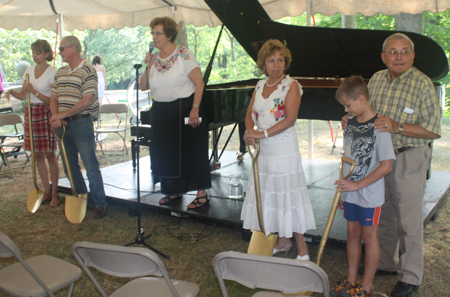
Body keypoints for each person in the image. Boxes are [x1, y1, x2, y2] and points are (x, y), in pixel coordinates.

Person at [342, 33, 441, 297]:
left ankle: (410, 276)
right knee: (382, 214)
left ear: (413, 56)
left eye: (404, 52)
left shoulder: (423, 85)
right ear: (384, 57)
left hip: (408, 157)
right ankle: (385, 263)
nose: (398, 57)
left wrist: (398, 127)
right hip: (377, 159)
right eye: (393, 52)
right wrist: (349, 117)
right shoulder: (375, 79)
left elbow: (433, 130)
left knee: (408, 221)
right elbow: (364, 111)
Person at [241, 39, 316, 260]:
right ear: (263, 63)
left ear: (286, 62)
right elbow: (250, 115)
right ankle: (282, 241)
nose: (276, 65)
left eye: (280, 60)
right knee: (270, 197)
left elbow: (290, 119)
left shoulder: (291, 85)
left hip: (283, 149)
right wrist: (249, 132)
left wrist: (261, 134)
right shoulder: (260, 85)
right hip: (264, 152)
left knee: (288, 196)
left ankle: (302, 248)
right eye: (271, 60)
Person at [331, 76, 395, 297]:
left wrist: (358, 185)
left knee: (369, 238)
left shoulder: (380, 127)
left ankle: (366, 285)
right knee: (351, 234)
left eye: (348, 105)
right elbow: (347, 158)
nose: (346, 110)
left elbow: (386, 166)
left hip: (370, 195)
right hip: (351, 193)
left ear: (361, 99)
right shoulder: (349, 125)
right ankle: (351, 280)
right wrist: (344, 191)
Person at [139, 16, 211, 209]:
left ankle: (202, 193)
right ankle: (173, 190)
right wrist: (148, 65)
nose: (154, 37)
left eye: (158, 33)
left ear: (169, 35)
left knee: (193, 150)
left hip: (185, 108)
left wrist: (195, 108)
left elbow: (199, 82)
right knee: (166, 153)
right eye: (153, 32)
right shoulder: (153, 59)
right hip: (162, 111)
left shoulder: (183, 55)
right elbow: (143, 86)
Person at [49, 36, 108, 219]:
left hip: (81, 123)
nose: (59, 52)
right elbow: (54, 97)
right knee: (69, 166)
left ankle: (100, 203)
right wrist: (55, 117)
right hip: (63, 125)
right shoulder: (60, 72)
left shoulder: (88, 69)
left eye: (62, 49)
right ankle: (82, 197)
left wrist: (60, 115)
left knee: (90, 165)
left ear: (73, 48)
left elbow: (87, 100)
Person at [5, 39, 60, 207]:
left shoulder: (53, 72)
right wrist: (13, 92)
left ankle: (56, 193)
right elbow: (24, 95)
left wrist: (33, 90)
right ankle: (46, 190)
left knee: (50, 154)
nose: (34, 56)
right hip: (31, 112)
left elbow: (52, 99)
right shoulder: (28, 71)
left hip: (46, 112)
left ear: (46, 54)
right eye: (33, 53)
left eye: (38, 53)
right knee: (37, 155)